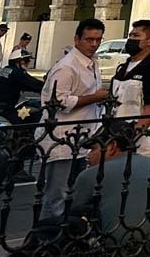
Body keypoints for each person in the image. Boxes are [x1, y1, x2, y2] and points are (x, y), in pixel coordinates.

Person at [60, 121, 150, 254]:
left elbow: (72, 214)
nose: (88, 155)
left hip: (130, 247)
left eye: (93, 149)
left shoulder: (92, 174)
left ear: (112, 146)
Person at [36, 18, 110, 236]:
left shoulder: (91, 62)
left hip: (82, 137)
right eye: (89, 39)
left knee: (75, 191)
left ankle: (68, 235)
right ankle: (48, 237)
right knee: (56, 194)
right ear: (77, 39)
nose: (94, 44)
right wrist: (95, 97)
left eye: (98, 40)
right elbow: (58, 101)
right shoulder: (67, 67)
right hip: (62, 138)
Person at [111, 20, 150, 156]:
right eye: (130, 35)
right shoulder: (124, 66)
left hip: (140, 140)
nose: (131, 39)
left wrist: (132, 137)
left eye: (136, 36)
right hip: (116, 135)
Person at [0, 51, 44, 123]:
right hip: (6, 109)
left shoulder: (6, 69)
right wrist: (46, 86)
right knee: (33, 113)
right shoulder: (17, 73)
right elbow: (32, 83)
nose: (28, 63)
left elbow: (29, 81)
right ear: (19, 62)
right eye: (27, 61)